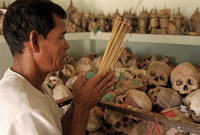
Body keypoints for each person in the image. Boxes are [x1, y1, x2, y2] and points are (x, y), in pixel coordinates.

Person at [0, 0, 116, 135]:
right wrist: (83, 108)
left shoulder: (33, 86)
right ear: (35, 41)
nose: (67, 45)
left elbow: (58, 129)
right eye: (61, 37)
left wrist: (78, 102)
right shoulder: (27, 112)